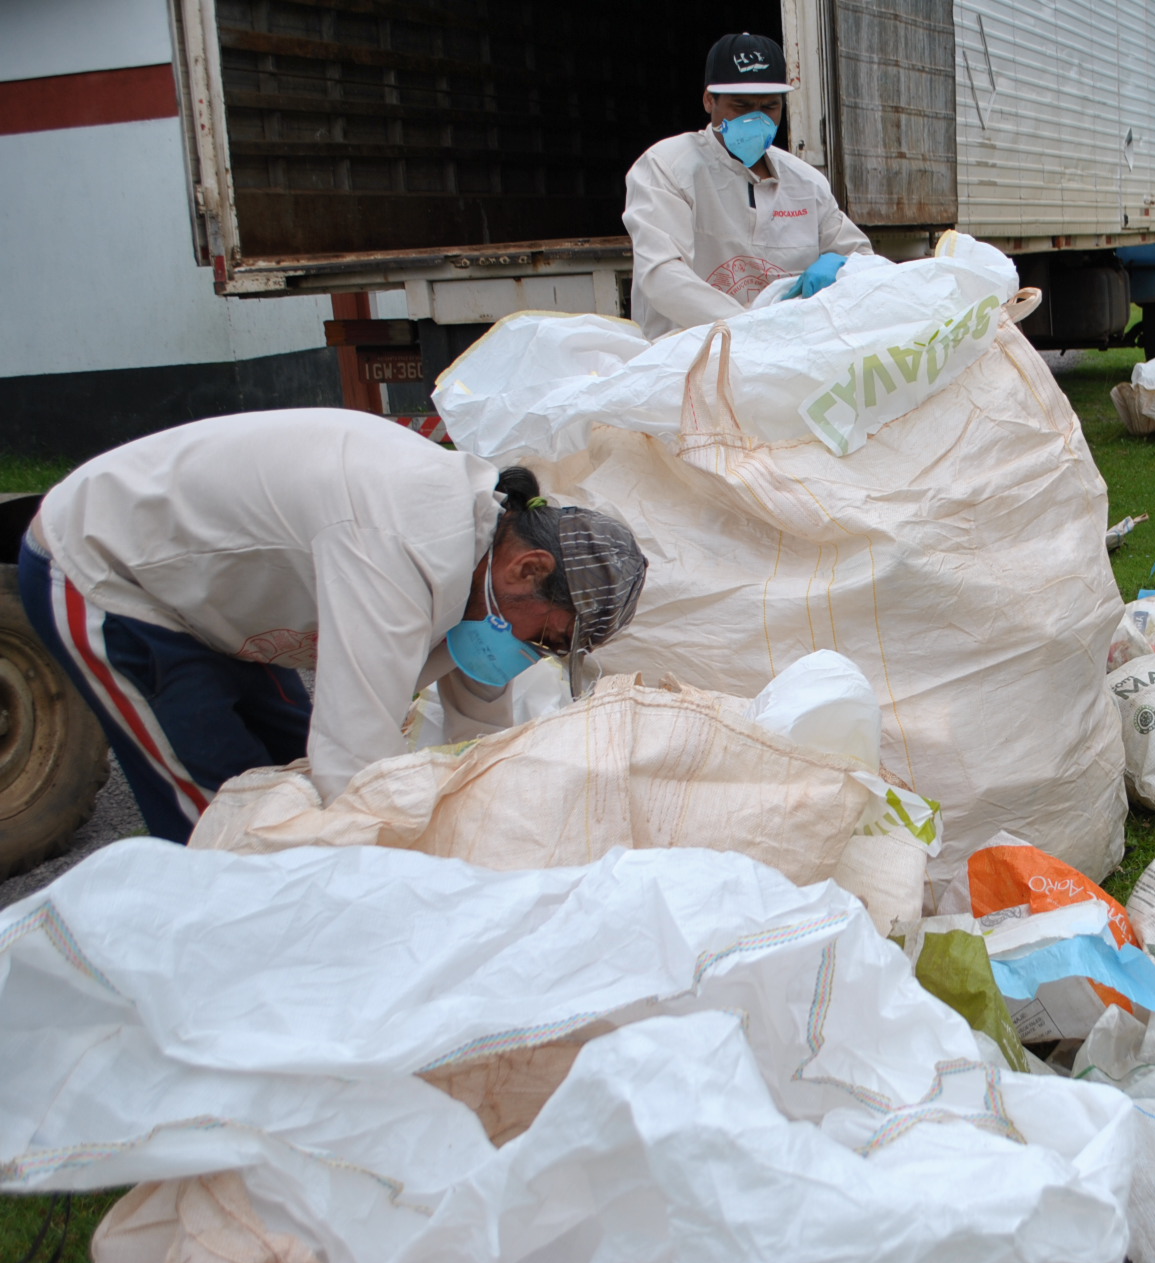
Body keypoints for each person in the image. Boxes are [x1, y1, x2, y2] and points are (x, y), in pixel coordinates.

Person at [18, 408, 647, 843]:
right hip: (112, 567)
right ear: (529, 568)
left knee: (287, 777)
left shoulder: (484, 555)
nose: (531, 655)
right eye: (546, 639)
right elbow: (354, 771)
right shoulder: (398, 550)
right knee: (225, 819)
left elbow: (476, 739)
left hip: (221, 595)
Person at [622, 32, 871, 341]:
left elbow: (863, 261)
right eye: (741, 105)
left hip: (784, 355)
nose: (756, 118)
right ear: (709, 99)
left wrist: (846, 264)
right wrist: (753, 329)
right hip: (689, 358)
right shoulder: (667, 168)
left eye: (769, 106)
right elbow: (661, 277)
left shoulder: (806, 182)